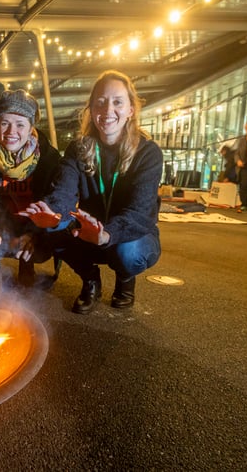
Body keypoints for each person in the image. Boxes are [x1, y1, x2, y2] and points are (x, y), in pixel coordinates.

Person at [20, 69, 162, 314]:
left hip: (126, 236)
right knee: (54, 229)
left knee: (128, 253)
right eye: (101, 102)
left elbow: (141, 213)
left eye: (117, 102)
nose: (108, 110)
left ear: (131, 110)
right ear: (91, 110)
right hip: (87, 232)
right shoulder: (78, 148)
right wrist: (52, 214)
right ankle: (90, 280)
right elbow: (63, 192)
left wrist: (107, 234)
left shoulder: (148, 153)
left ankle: (125, 280)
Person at [0, 90, 60, 288]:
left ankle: (27, 263)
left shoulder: (48, 159)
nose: (11, 132)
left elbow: (54, 197)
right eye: (4, 123)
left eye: (20, 124)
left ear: (31, 127)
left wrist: (35, 232)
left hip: (33, 226)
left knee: (57, 232)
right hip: (3, 226)